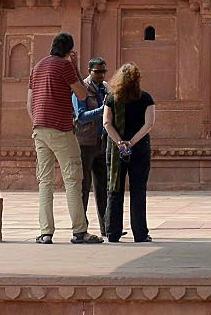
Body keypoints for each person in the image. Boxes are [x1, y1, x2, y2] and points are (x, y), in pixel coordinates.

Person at [28, 32, 98, 244]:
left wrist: (38, 123)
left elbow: (29, 103)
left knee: (45, 181)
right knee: (73, 179)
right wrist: (74, 65)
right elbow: (83, 94)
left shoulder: (37, 67)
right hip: (60, 129)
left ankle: (45, 232)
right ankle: (79, 231)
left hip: (39, 129)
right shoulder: (64, 66)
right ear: (69, 50)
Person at [103, 62, 156, 243]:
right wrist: (131, 142)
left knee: (114, 188)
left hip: (117, 150)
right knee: (138, 190)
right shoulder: (146, 98)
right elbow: (149, 124)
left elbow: (106, 123)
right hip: (139, 148)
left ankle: (113, 232)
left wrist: (120, 142)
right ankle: (140, 233)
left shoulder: (112, 98)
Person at [72, 57, 111, 228]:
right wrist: (103, 110)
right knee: (84, 187)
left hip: (102, 142)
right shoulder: (82, 90)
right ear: (89, 71)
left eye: (103, 71)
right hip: (85, 143)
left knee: (103, 187)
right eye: (98, 72)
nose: (101, 75)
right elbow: (80, 117)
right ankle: (81, 226)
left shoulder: (106, 88)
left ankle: (106, 226)